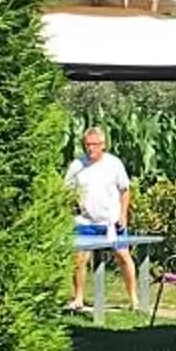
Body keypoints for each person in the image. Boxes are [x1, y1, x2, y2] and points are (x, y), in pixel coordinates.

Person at [64, 126, 136, 310]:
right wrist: (71, 209)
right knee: (80, 259)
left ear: (103, 145)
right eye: (88, 145)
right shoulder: (77, 165)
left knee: (122, 256)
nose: (91, 148)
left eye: (95, 145)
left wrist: (122, 215)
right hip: (85, 221)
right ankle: (78, 298)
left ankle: (134, 299)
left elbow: (125, 190)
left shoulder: (114, 164)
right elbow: (67, 191)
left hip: (111, 221)